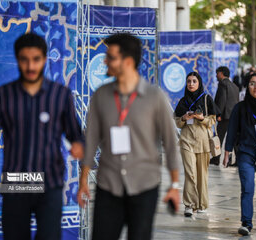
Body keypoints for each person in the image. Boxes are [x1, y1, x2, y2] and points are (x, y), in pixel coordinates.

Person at [0, 33, 84, 239]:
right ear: (17, 59)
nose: (30, 66)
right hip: (16, 181)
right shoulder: (4, 96)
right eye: (25, 60)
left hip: (50, 182)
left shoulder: (60, 95)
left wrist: (80, 145)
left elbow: (75, 134)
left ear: (44, 59)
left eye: (36, 59)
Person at [77, 33, 180, 240]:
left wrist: (175, 186)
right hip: (108, 186)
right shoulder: (101, 96)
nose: (105, 61)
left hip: (145, 186)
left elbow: (170, 143)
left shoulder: (155, 97)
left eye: (110, 57)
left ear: (128, 61)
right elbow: (90, 139)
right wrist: (83, 180)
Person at [223, 73, 256, 236]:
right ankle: (246, 222)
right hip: (246, 152)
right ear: (248, 87)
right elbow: (231, 130)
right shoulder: (240, 108)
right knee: (247, 188)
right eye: (252, 84)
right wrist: (227, 151)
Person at [174, 72, 220, 217]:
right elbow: (176, 122)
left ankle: (201, 204)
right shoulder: (182, 101)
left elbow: (213, 120)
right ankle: (189, 205)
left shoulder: (206, 99)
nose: (191, 84)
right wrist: (183, 117)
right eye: (189, 81)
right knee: (190, 173)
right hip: (187, 140)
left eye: (194, 81)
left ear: (199, 83)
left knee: (202, 174)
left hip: (203, 141)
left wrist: (202, 118)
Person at [212, 66, 239, 165]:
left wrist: (219, 114)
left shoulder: (223, 84)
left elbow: (222, 100)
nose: (216, 75)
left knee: (218, 138)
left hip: (224, 116)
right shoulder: (235, 86)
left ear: (222, 73)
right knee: (235, 139)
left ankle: (215, 159)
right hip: (234, 116)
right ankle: (238, 160)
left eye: (217, 73)